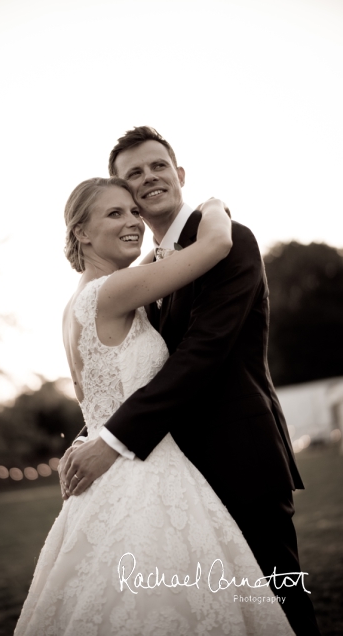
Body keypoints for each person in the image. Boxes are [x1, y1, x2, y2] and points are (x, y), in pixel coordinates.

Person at [57, 127, 319, 635]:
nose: (148, 179)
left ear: (179, 175)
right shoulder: (141, 276)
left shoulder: (228, 241)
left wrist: (108, 437)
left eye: (158, 166)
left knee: (280, 603)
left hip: (240, 459)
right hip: (170, 477)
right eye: (133, 177)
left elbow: (202, 355)